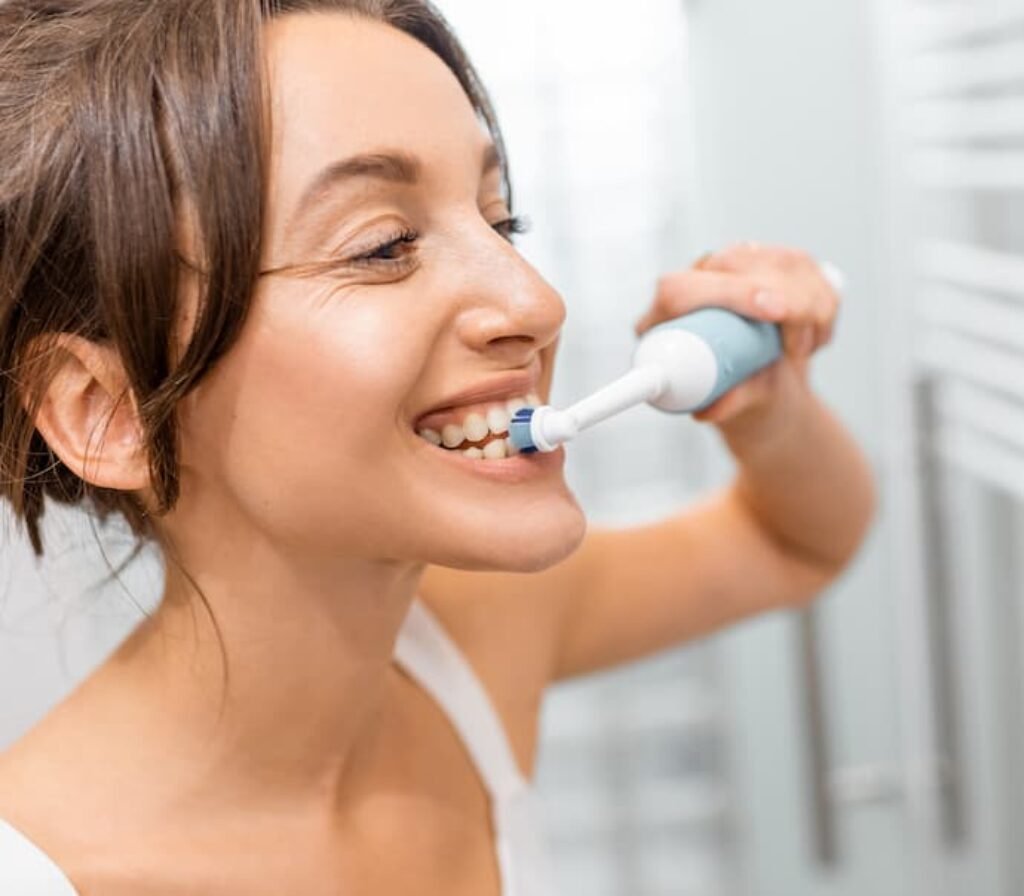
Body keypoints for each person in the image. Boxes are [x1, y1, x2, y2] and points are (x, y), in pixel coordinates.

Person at [0, 1, 875, 893]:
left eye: (502, 224)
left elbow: (794, 542)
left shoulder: (480, 631)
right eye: (382, 247)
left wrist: (767, 408)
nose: (536, 305)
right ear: (109, 411)